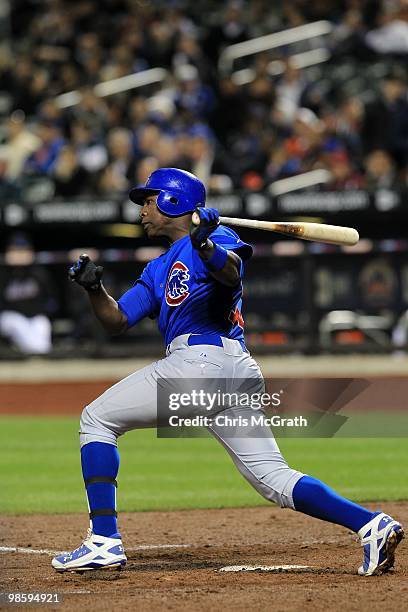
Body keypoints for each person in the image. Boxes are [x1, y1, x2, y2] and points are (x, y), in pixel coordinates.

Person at [52, 168, 404, 575]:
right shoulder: (157, 268)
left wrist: (205, 246)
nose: (143, 209)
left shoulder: (217, 238)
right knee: (272, 477)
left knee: (96, 419)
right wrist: (95, 290)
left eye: (149, 200)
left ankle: (103, 540)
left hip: (204, 363)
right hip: (226, 372)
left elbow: (230, 272)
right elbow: (116, 321)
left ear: (173, 201)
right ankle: (370, 525)